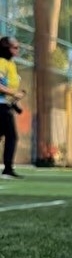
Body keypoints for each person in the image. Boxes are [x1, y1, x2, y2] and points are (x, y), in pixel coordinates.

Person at [0, 36, 26, 179]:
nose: (18, 50)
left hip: (5, 106)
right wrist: (15, 93)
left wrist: (16, 103)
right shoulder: (1, 63)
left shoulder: (11, 64)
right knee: (11, 136)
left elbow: (8, 89)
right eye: (15, 47)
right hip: (1, 107)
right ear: (6, 49)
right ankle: (8, 169)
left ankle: (8, 169)